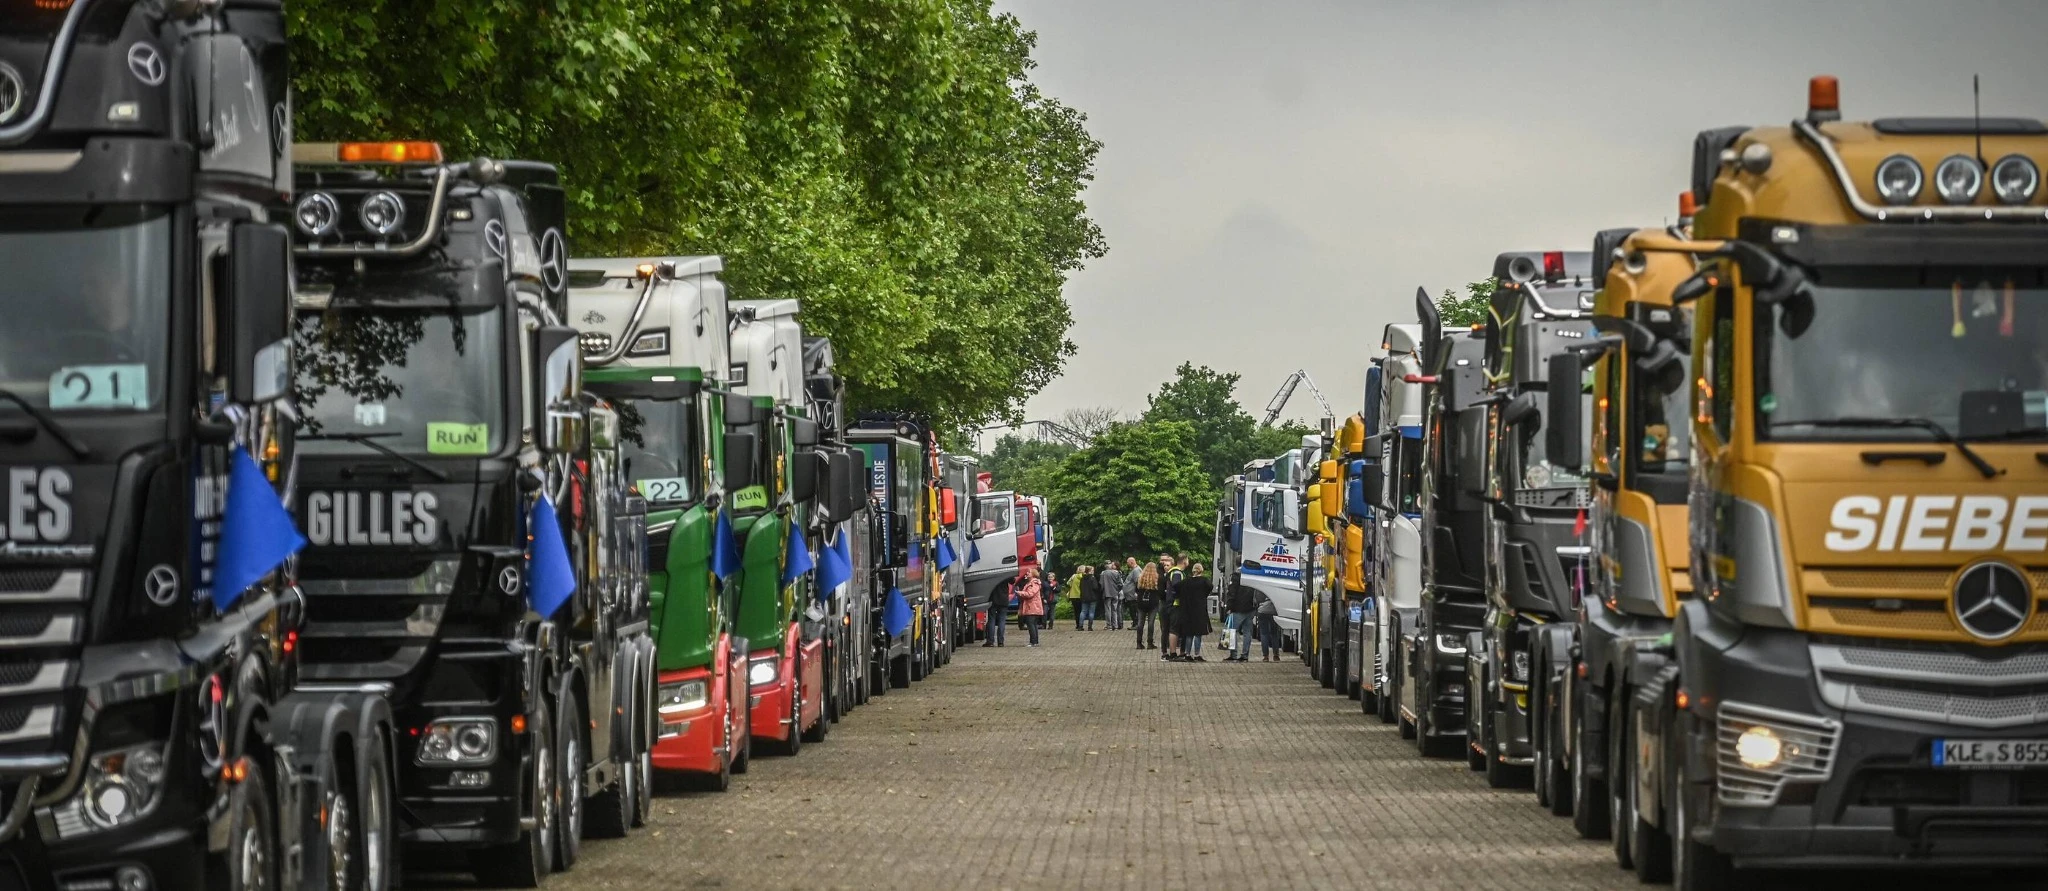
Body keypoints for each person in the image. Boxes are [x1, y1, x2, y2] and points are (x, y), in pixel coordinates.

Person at [1173, 562, 1215, 662]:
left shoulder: (1186, 581)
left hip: (1188, 610)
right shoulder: (1204, 581)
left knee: (1189, 633)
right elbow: (1210, 587)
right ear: (1201, 570)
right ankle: (1197, 654)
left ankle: (1187, 654)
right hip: (1199, 610)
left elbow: (1176, 587)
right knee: (1198, 633)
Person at [1224, 572, 1258, 662]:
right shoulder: (1252, 575)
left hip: (1238, 609)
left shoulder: (1236, 576)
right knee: (1247, 633)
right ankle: (1245, 655)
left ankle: (1233, 655)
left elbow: (1232, 592)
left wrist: (1229, 607)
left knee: (1232, 631)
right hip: (1250, 608)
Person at [1159, 555, 1185, 661]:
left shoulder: (1172, 574)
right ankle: (1166, 652)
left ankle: (1169, 650)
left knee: (1169, 628)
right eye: (1164, 565)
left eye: (1167, 565)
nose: (1165, 566)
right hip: (1167, 604)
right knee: (1166, 629)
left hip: (1169, 603)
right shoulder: (1165, 576)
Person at [1132, 562, 1162, 649]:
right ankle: (1150, 642)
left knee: (1140, 622)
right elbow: (1159, 591)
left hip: (1141, 602)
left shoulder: (1140, 578)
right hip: (1153, 602)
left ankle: (1139, 642)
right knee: (1151, 623)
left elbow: (1137, 589)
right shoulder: (1157, 578)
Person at [1016, 567, 1046, 647]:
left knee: (1031, 624)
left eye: (1029, 572)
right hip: (1032, 607)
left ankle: (1033, 642)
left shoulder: (1034, 583)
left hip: (1032, 607)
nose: (1027, 573)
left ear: (1033, 574)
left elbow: (1030, 594)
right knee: (1033, 624)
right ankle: (1035, 641)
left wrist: (1020, 593)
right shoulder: (1032, 583)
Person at [983, 573, 1014, 648]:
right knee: (1002, 621)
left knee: (991, 620)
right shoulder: (1005, 571)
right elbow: (1012, 581)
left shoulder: (992, 570)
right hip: (1003, 599)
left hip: (993, 598)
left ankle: (990, 641)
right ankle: (1000, 642)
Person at [1254, 588, 1282, 661]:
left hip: (1262, 611)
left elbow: (1256, 599)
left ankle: (1265, 656)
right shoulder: (1274, 585)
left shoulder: (1259, 587)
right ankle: (1276, 655)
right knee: (1274, 633)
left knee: (1264, 634)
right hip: (1274, 611)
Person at [1100, 560, 1125, 631]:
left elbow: (1101, 584)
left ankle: (1109, 625)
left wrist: (1102, 591)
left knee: (1108, 609)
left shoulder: (1103, 573)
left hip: (1107, 593)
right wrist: (1117, 590)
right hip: (1115, 593)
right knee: (1114, 610)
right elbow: (1120, 584)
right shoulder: (1116, 573)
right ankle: (1115, 625)